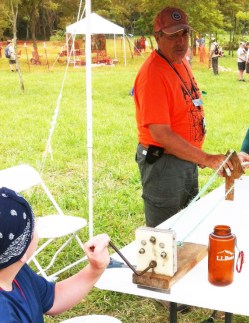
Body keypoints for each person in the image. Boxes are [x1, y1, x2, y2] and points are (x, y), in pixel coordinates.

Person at [134, 7, 233, 227]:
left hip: (186, 158)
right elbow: (160, 133)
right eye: (172, 36)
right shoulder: (153, 74)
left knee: (189, 223)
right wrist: (206, 158)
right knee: (166, 231)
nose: (180, 42)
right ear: (157, 37)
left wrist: (196, 156)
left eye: (184, 34)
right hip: (164, 164)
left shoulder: (181, 61)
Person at [0, 187, 112, 322]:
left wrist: (95, 269)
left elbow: (54, 297)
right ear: (21, 252)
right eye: (32, 228)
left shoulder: (13, 271)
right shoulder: (4, 314)